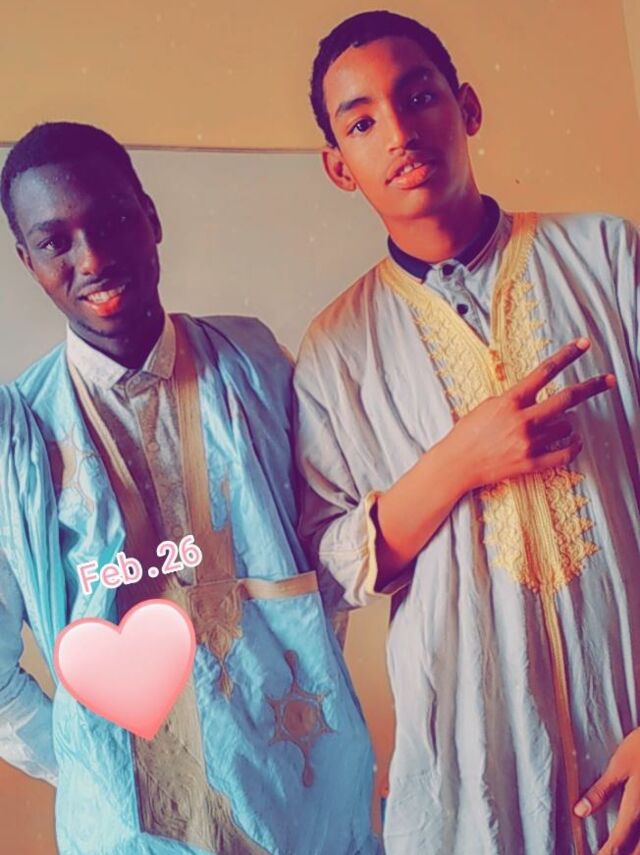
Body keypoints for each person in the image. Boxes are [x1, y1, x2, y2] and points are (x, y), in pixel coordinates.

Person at [294, 11, 640, 855]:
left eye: (419, 97)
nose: (400, 132)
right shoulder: (336, 349)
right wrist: (457, 462)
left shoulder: (604, 255)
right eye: (362, 122)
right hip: (471, 771)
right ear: (339, 166)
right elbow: (326, 567)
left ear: (468, 108)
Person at [0, 121, 378, 855]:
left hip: (305, 808)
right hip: (131, 834)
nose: (93, 258)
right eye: (55, 242)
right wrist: (92, 765)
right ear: (28, 261)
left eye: (112, 220)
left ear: (150, 216)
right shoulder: (20, 439)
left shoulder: (254, 363)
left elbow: (321, 560)